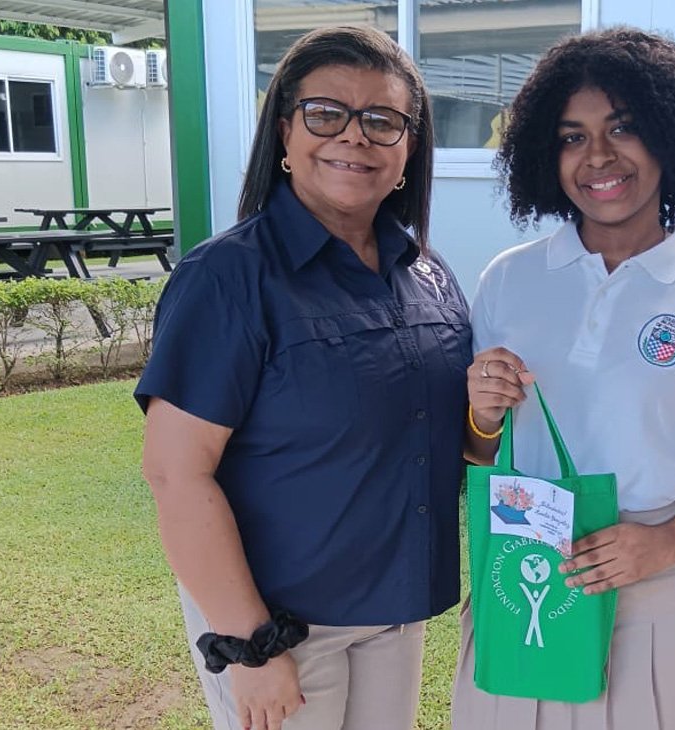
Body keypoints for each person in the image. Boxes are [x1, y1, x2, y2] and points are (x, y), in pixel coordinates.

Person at [453, 28, 675, 730]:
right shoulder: (509, 280)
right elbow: (478, 454)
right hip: (526, 572)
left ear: (670, 137)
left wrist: (668, 542)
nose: (599, 157)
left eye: (623, 128)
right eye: (572, 136)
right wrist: (481, 415)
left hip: (656, 589)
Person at [135, 26, 471, 730]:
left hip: (394, 607)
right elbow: (176, 473)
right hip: (280, 621)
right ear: (285, 133)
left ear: (409, 149)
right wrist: (250, 646)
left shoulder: (427, 274)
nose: (354, 136)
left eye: (382, 120)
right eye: (325, 114)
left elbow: (451, 435)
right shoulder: (228, 278)